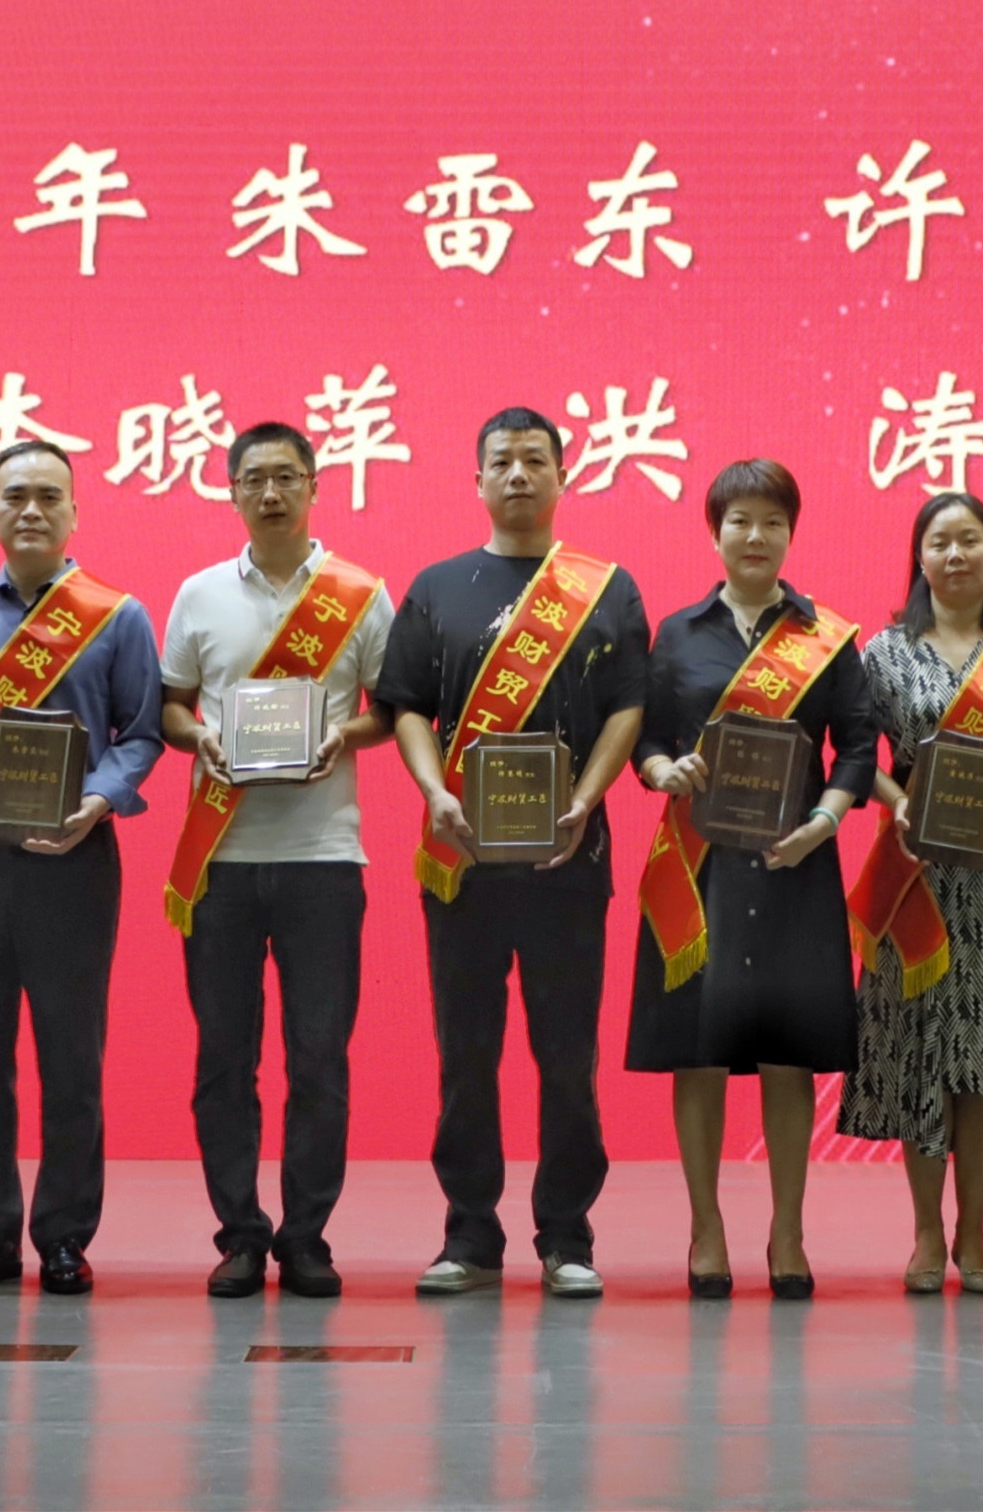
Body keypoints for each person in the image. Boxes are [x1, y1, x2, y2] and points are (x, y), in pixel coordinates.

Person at [376, 407, 651, 1299]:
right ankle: (470, 1233)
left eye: (536, 459)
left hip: (570, 859)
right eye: (502, 461)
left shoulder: (606, 589)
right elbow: (407, 705)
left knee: (567, 1059)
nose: (519, 474)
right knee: (465, 1055)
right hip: (462, 862)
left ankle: (567, 1235)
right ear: (479, 479)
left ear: (563, 475)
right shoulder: (436, 586)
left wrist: (585, 799)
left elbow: (629, 706)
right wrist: (435, 791)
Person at [0, 442, 166, 1295]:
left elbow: (142, 734)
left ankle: (64, 1235)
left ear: (75, 512)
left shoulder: (117, 615)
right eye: (15, 496)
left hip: (72, 859)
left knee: (71, 1058)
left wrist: (101, 798)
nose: (32, 510)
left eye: (50, 495)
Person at [625, 460, 876, 1300]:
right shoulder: (677, 633)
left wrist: (826, 821)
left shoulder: (825, 635)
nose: (756, 535)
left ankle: (788, 1229)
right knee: (699, 1052)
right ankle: (706, 1227)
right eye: (740, 520)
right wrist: (662, 770)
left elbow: (858, 745)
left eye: (772, 520)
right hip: (699, 866)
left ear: (791, 532)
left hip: (795, 861)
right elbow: (647, 736)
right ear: (716, 532)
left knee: (786, 1052)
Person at [158, 421, 392, 1299]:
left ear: (314, 486)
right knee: (224, 1059)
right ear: (231, 491)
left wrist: (344, 734)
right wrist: (201, 737)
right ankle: (240, 1235)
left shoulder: (360, 594)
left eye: (287, 476)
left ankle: (306, 1237)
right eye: (254, 478)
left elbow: (391, 708)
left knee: (318, 1057)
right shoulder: (198, 593)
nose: (270, 492)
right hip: (220, 858)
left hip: (323, 856)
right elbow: (171, 707)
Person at [838, 490, 983, 1297]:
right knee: (921, 1053)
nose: (956, 554)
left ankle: (974, 1232)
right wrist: (899, 803)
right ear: (920, 556)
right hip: (917, 871)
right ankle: (927, 1232)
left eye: (971, 539)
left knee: (982, 1057)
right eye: (940, 541)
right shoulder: (882, 652)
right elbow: (859, 755)